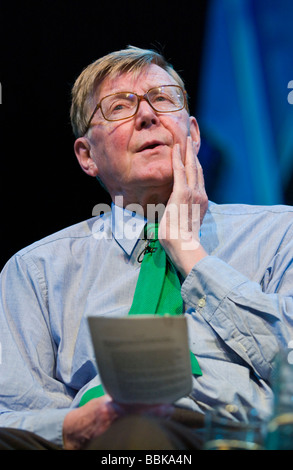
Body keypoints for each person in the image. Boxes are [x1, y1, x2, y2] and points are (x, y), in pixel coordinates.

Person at [0, 45, 292, 450]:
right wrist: (73, 426)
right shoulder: (37, 270)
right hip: (85, 438)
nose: (147, 115)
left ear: (192, 133)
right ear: (87, 156)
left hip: (221, 431)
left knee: (138, 437)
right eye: (119, 106)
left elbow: (289, 361)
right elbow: (12, 410)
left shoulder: (280, 232)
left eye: (162, 98)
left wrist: (188, 250)